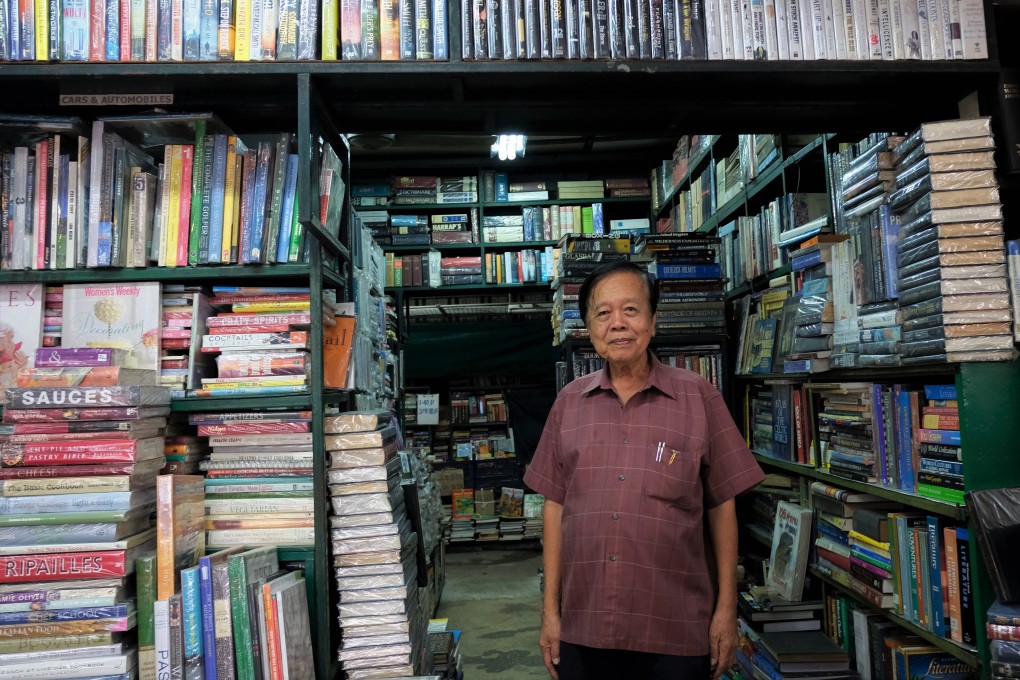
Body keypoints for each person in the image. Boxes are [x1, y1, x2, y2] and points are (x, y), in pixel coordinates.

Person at [524, 260, 765, 680]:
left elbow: (721, 505)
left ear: (653, 321)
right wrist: (550, 613)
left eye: (631, 310)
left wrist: (727, 609)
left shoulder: (699, 398)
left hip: (676, 626)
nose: (618, 324)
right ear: (588, 326)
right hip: (585, 624)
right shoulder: (568, 403)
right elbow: (554, 508)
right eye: (603, 313)